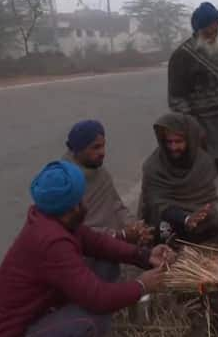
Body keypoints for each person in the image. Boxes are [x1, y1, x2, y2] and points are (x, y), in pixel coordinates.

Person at [0, 160, 175, 337]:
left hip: (42, 314)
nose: (85, 204)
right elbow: (98, 298)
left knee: (106, 261)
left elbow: (98, 243)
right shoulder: (51, 242)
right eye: (81, 200)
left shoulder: (54, 218)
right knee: (92, 323)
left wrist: (145, 256)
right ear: (72, 207)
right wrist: (142, 285)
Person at [63, 120, 154, 281]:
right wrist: (122, 235)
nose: (103, 152)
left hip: (109, 243)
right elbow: (76, 231)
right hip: (84, 253)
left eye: (103, 146)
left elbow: (116, 205)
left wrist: (133, 225)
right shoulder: (65, 181)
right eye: (95, 147)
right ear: (78, 150)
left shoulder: (99, 172)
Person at [168, 2, 218, 176]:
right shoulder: (182, 56)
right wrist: (194, 129)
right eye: (207, 31)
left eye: (215, 29)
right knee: (210, 181)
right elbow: (177, 100)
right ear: (197, 30)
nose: (212, 34)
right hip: (205, 132)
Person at [140, 113, 218, 245]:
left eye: (178, 142)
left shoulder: (204, 163)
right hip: (171, 219)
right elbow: (156, 203)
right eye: (169, 142)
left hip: (202, 219)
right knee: (162, 230)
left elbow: (213, 198)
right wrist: (186, 219)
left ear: (190, 141)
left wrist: (202, 215)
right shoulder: (153, 166)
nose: (173, 147)